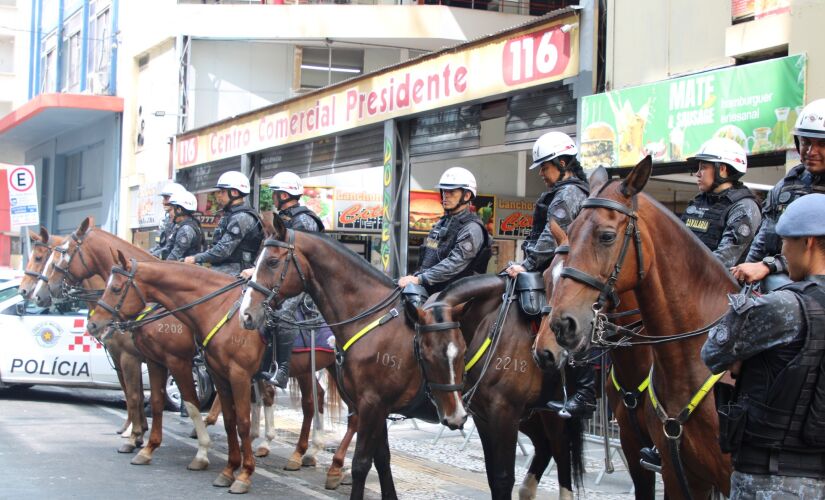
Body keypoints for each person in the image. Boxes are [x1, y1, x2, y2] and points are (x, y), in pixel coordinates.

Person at [701, 193, 825, 498]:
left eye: (784, 242)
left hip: (771, 479)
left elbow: (712, 353)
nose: (782, 251)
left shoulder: (782, 306)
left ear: (807, 242)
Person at [504, 131, 595, 418]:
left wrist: (527, 264)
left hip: (565, 271)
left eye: (546, 166)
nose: (542, 173)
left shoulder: (569, 193)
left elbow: (550, 235)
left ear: (564, 163)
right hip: (554, 268)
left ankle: (582, 391)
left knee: (565, 323)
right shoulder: (562, 191)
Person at [732, 98, 825, 284]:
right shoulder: (785, 186)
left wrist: (770, 265)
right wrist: (743, 277)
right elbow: (763, 240)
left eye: (821, 144)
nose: (811, 151)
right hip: (782, 283)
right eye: (806, 142)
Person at [251, 171, 325, 388]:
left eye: (275, 193)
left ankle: (281, 368)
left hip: (304, 281)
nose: (273, 197)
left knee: (283, 314)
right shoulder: (281, 219)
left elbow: (307, 259)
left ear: (284, 195)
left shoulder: (304, 220)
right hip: (281, 278)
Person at [397, 167, 491, 294]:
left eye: (451, 192)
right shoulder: (442, 222)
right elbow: (429, 256)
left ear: (467, 195)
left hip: (457, 297)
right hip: (432, 289)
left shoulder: (472, 228)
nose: (445, 195)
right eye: (444, 191)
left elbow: (455, 262)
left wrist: (420, 279)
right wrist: (416, 277)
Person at [680, 138, 761, 267]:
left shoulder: (744, 207)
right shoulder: (698, 202)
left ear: (722, 169)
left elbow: (724, 259)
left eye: (703, 168)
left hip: (727, 285)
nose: (697, 174)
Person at [183, 171, 263, 275]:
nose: (218, 195)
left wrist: (196, 258)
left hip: (236, 271)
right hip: (223, 268)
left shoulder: (241, 217)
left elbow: (223, 250)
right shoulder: (230, 214)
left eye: (222, 191)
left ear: (234, 192)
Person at [156, 190, 204, 261]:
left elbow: (174, 256)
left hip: (186, 270)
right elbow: (167, 248)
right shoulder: (180, 226)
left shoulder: (186, 229)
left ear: (179, 210)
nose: (169, 214)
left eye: (171, 210)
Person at [149, 182, 186, 258]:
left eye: (166, 198)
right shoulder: (166, 221)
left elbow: (174, 251)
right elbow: (161, 245)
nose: (163, 202)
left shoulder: (184, 224)